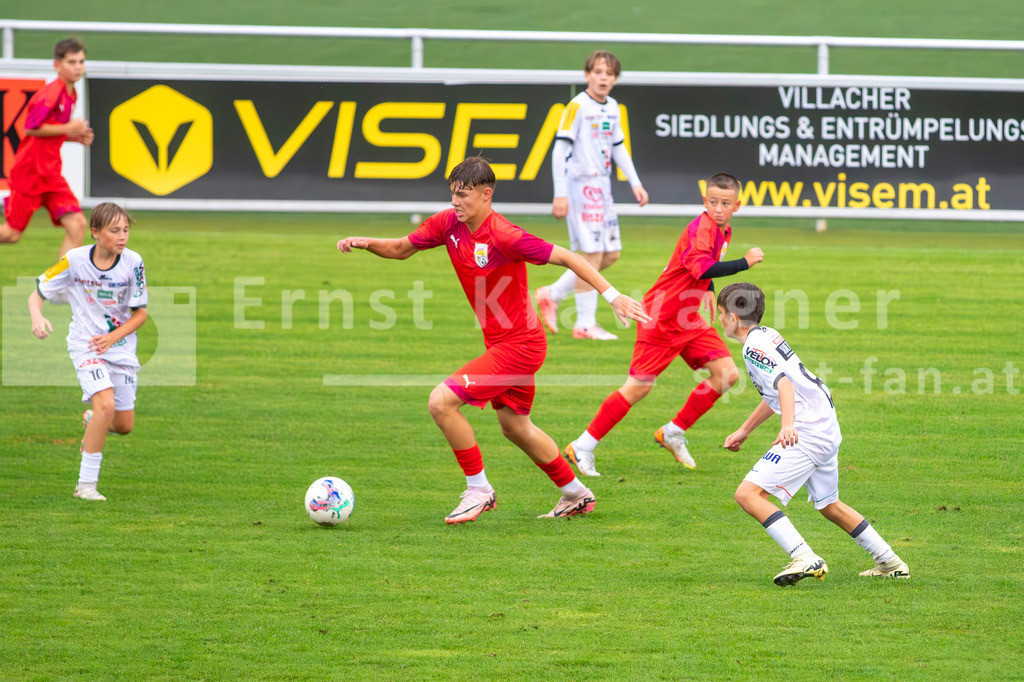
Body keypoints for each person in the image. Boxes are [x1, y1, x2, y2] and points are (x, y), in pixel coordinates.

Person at [336, 157, 650, 523]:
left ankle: (479, 490)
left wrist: (614, 297)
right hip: (504, 344)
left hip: (520, 346)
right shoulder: (448, 223)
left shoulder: (505, 235)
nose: (456, 202)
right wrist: (365, 241)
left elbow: (568, 256)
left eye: (464, 196)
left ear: (487, 195)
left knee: (441, 402)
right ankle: (575, 494)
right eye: (453, 194)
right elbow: (401, 248)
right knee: (516, 427)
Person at [564, 173, 762, 477]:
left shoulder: (723, 229)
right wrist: (744, 263)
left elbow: (700, 268)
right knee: (638, 388)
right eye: (712, 202)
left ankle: (673, 431)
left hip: (688, 319)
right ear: (704, 201)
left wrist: (707, 291)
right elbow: (701, 265)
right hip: (661, 317)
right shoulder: (703, 228)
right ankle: (582, 446)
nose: (718, 208)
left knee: (727, 374)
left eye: (724, 203)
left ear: (737, 205)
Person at [718, 282, 910, 586]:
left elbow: (785, 386)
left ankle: (805, 557)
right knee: (829, 505)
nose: (718, 320)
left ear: (731, 318)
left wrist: (788, 425)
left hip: (807, 431)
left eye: (720, 313)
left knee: (747, 494)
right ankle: (890, 562)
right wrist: (744, 430)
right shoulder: (766, 334)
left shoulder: (753, 348)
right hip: (825, 425)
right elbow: (776, 392)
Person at [28, 203, 148, 501]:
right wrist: (37, 317)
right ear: (95, 232)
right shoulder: (74, 260)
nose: (122, 237)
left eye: (126, 230)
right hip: (86, 346)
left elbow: (140, 314)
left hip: (119, 348)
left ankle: (91, 419)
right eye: (115, 230)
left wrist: (112, 338)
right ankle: (86, 485)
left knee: (123, 425)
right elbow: (38, 292)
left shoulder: (133, 262)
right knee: (106, 407)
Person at [534, 50, 648, 341]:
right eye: (597, 72)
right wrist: (560, 193)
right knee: (591, 254)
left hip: (603, 188)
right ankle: (585, 324)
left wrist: (635, 182)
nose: (603, 78)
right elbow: (559, 150)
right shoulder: (576, 107)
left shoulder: (612, 107)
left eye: (609, 73)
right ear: (587, 75)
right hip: (580, 188)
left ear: (615, 79)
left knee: (610, 255)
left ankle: (552, 293)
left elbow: (619, 146)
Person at [1, 38, 94, 258]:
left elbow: (49, 132)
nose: (78, 66)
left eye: (81, 61)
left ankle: (58, 287)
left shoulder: (71, 94)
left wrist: (72, 137)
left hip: (50, 174)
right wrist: (69, 127)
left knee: (78, 224)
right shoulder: (50, 94)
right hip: (30, 172)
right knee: (11, 235)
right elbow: (32, 128)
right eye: (71, 61)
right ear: (57, 65)